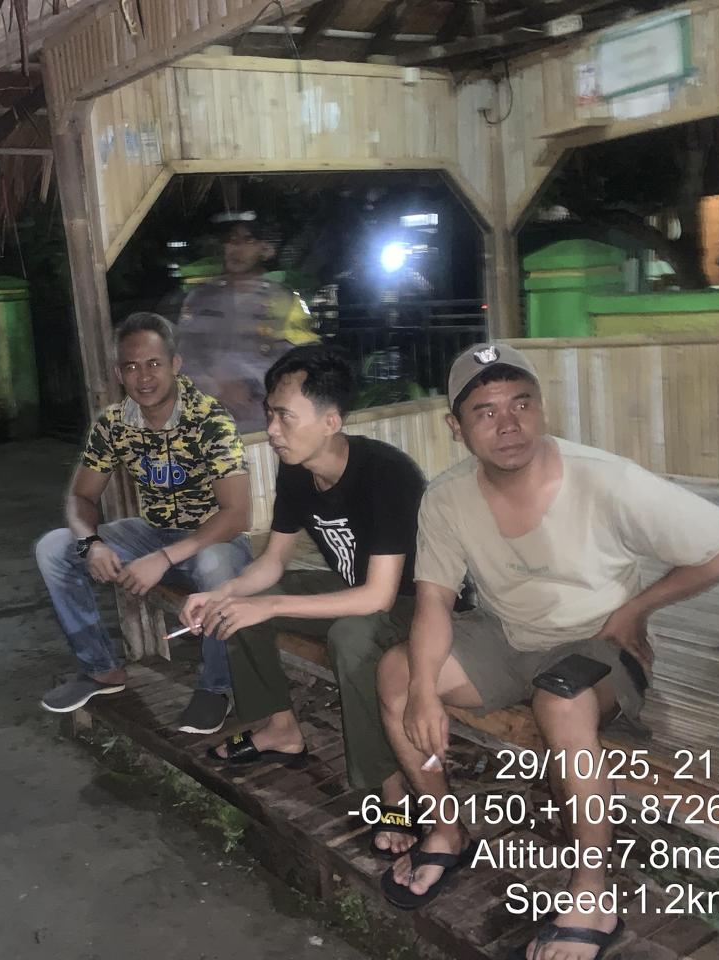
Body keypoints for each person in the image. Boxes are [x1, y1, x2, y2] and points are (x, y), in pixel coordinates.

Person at [376, 343, 719, 960]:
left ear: (542, 409)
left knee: (560, 700)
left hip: (601, 644)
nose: (508, 423)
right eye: (485, 412)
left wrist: (637, 609)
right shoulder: (448, 495)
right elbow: (433, 600)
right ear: (456, 427)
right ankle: (445, 828)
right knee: (397, 673)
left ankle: (593, 892)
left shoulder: (606, 477)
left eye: (521, 404)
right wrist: (426, 690)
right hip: (508, 635)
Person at [181, 345, 426, 848]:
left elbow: (380, 597)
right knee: (239, 607)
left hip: (416, 604)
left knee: (352, 638)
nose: (272, 429)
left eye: (284, 416)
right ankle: (281, 729)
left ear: (330, 421)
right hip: (354, 591)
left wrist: (269, 604)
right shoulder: (296, 469)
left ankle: (393, 791)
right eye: (270, 414)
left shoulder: (386, 474)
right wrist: (221, 592)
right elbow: (272, 562)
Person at [35, 312, 252, 735]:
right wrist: (91, 544)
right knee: (54, 548)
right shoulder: (114, 423)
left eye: (154, 363)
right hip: (151, 534)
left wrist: (164, 558)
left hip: (214, 539)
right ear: (119, 374)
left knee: (216, 566)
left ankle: (216, 687)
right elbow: (80, 497)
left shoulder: (211, 420)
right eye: (132, 367)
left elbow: (236, 514)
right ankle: (101, 670)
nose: (144, 376)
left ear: (175, 364)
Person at [177, 211, 320, 433]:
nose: (237, 248)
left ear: (265, 248)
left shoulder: (284, 300)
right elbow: (182, 361)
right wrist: (217, 387)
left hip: (269, 426)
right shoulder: (200, 300)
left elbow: (303, 361)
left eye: (248, 240)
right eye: (231, 240)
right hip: (210, 426)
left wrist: (256, 386)